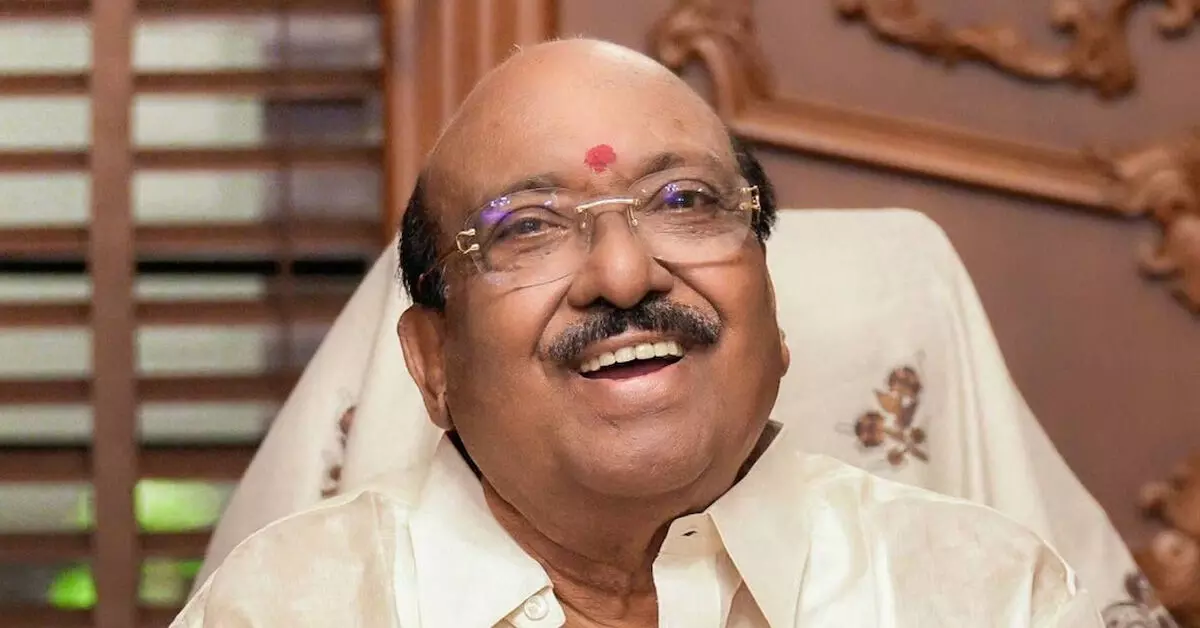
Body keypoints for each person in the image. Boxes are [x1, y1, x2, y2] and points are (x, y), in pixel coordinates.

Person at [172, 38, 1102, 627]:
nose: (624, 275)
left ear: (773, 310)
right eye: (527, 227)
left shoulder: (983, 596)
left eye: (684, 202)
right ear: (432, 362)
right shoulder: (291, 609)